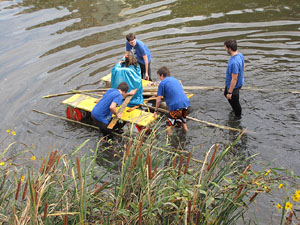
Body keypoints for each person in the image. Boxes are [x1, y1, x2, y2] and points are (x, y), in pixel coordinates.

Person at [153, 66, 190, 135]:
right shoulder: (175, 80)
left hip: (176, 106)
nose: (159, 79)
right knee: (183, 122)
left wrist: (156, 110)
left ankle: (169, 141)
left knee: (168, 125)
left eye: (159, 76)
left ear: (162, 75)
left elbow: (158, 100)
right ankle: (186, 132)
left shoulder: (162, 83)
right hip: (185, 103)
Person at [224, 39, 245, 118]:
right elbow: (243, 66)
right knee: (225, 94)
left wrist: (230, 92)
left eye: (225, 47)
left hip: (234, 86)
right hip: (236, 82)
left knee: (235, 102)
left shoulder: (234, 62)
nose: (225, 49)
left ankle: (237, 117)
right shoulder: (240, 55)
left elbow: (234, 79)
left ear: (229, 48)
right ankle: (234, 109)